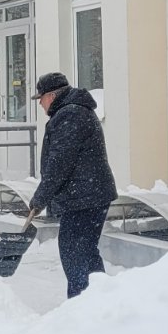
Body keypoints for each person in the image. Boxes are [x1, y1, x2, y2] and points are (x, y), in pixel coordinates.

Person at [28, 71, 117, 299]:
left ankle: (81, 302)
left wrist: (40, 198)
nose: (40, 103)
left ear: (51, 95)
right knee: (85, 251)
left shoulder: (70, 115)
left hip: (85, 198)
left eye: (40, 98)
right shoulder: (73, 111)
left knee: (73, 252)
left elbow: (59, 163)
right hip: (89, 195)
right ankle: (100, 299)